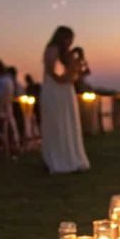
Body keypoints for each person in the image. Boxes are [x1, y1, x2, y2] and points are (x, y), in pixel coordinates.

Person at [40, 26, 90, 173]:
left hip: (66, 91)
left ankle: (70, 156)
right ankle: (57, 159)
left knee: (68, 122)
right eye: (69, 39)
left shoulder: (66, 54)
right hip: (55, 90)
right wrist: (64, 78)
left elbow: (74, 71)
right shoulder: (52, 49)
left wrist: (74, 74)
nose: (70, 43)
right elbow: (52, 72)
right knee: (57, 123)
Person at [0, 58, 20, 151]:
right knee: (9, 132)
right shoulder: (8, 80)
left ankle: (5, 151)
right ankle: (10, 151)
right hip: (9, 111)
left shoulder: (0, 82)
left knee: (3, 133)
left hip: (0, 111)